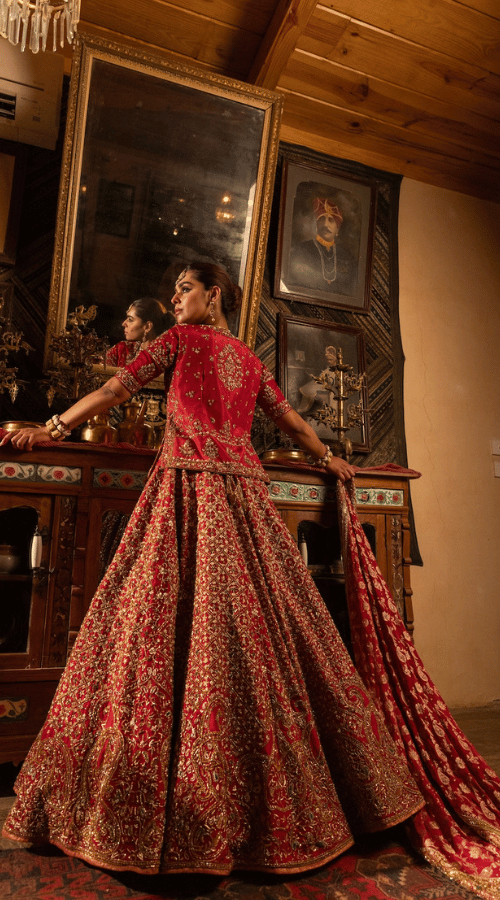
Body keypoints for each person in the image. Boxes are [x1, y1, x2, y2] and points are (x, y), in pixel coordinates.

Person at [0, 262, 425, 875]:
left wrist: (53, 426)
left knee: (155, 631)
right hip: (244, 499)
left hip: (187, 492)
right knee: (255, 638)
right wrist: (328, 456)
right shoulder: (250, 361)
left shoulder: (179, 343)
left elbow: (120, 389)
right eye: (173, 291)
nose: (175, 300)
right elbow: (289, 422)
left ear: (213, 295)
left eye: (184, 289)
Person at [289, 198, 356, 296]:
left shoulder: (346, 255)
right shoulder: (302, 249)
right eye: (322, 219)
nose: (325, 224)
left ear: (337, 229)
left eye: (331, 220)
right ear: (317, 225)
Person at [105, 296, 171, 367]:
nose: (123, 324)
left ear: (147, 326)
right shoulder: (121, 351)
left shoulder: (166, 357)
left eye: (130, 320)